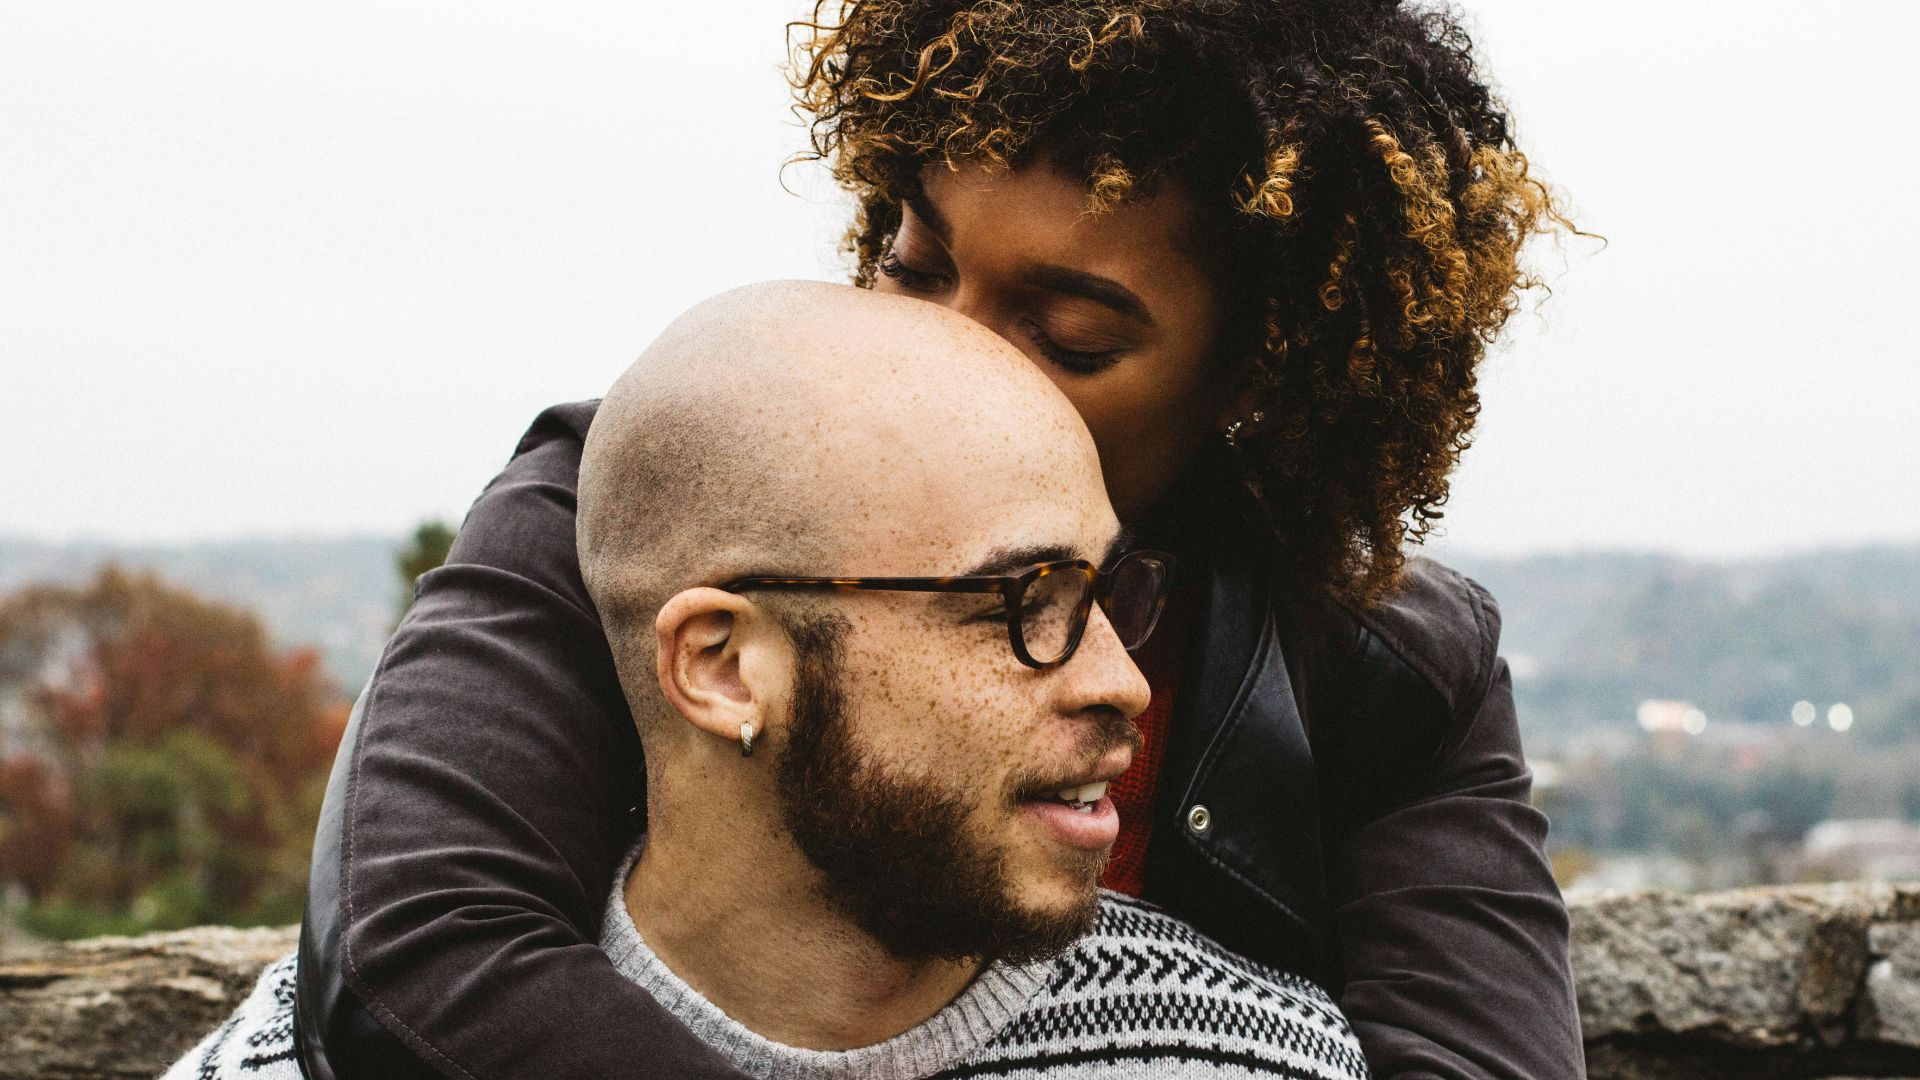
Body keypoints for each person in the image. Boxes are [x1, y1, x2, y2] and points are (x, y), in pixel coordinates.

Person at [295, 2, 1585, 1078]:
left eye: (1070, 337)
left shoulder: (1391, 669)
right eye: (917, 268)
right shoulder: (648, 506)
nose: (948, 347)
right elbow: (415, 956)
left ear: (1254, 375)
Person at [175, 282, 1370, 1080]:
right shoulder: (297, 1065)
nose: (1124, 682)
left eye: (1112, 594)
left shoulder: (1258, 1060)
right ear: (724, 668)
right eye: (1023, 604)